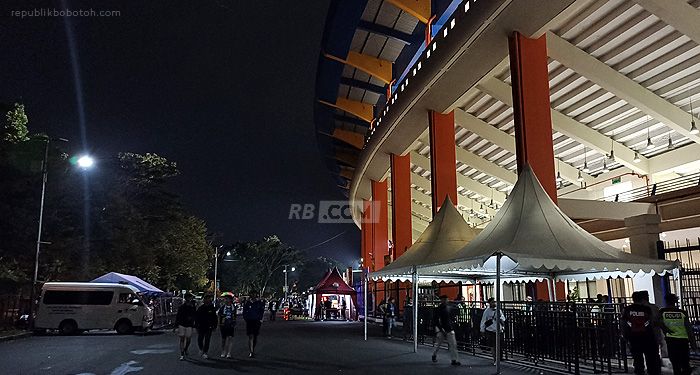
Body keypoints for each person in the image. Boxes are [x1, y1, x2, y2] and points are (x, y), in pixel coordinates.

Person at [621, 291, 661, 375]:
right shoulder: (647, 309)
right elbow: (651, 323)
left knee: (638, 361)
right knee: (651, 361)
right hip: (648, 337)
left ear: (633, 299)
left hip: (634, 338)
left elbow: (624, 324)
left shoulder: (627, 309)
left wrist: (625, 336)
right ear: (642, 299)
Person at [660, 294, 696, 375]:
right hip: (683, 340)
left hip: (671, 340)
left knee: (675, 364)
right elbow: (689, 329)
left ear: (666, 301)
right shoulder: (682, 312)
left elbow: (656, 322)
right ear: (675, 301)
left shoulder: (662, 312)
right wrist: (693, 344)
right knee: (685, 363)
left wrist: (666, 329)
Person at [432, 295, 461, 366]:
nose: (445, 301)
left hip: (445, 328)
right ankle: (453, 359)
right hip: (445, 328)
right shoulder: (445, 308)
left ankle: (454, 360)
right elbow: (436, 320)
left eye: (446, 299)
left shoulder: (440, 309)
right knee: (449, 344)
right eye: (444, 299)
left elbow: (436, 321)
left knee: (452, 344)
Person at [480, 297, 506, 365]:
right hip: (491, 330)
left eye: (494, 302)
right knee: (493, 346)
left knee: (499, 344)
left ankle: (499, 358)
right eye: (492, 302)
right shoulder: (487, 311)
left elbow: (503, 317)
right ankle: (495, 359)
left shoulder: (498, 310)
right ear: (489, 303)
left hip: (498, 330)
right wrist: (482, 330)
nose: (494, 303)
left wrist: (501, 320)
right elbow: (483, 321)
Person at [243, 291, 265, 358]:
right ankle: (251, 351)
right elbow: (244, 312)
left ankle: (253, 348)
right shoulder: (247, 303)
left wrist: (260, 319)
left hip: (256, 321)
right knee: (250, 336)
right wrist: (246, 318)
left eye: (254, 295)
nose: (253, 296)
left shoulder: (259, 303)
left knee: (255, 336)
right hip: (249, 321)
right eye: (252, 295)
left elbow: (261, 311)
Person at [175, 293, 197, 360]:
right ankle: (182, 353)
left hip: (189, 324)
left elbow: (194, 315)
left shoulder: (192, 307)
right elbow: (178, 316)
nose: (189, 299)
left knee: (188, 338)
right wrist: (176, 325)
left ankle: (186, 348)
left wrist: (194, 324)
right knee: (182, 339)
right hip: (182, 324)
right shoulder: (182, 307)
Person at [195, 294, 218, 359]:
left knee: (207, 339)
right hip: (201, 326)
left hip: (209, 326)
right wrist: (196, 325)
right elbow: (197, 317)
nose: (208, 300)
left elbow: (214, 317)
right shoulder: (201, 308)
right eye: (206, 299)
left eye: (209, 299)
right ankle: (201, 349)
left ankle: (205, 352)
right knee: (200, 338)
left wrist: (215, 326)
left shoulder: (212, 308)